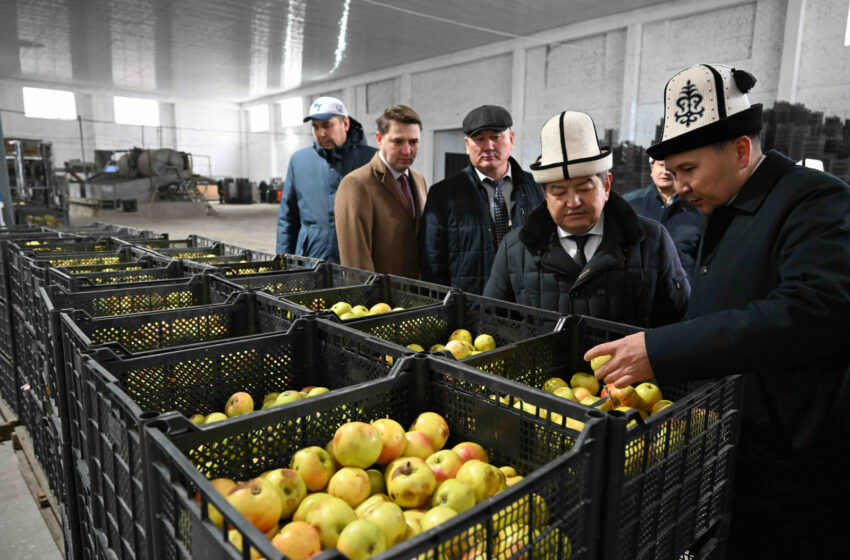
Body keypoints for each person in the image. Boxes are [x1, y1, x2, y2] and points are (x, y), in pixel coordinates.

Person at [586, 64, 850, 557]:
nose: (678, 185)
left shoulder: (814, 202)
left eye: (689, 170)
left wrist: (663, 349)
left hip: (793, 470)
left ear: (742, 150)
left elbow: (814, 310)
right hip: (732, 451)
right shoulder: (723, 206)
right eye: (674, 171)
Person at [483, 111, 688, 327]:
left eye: (584, 188)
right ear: (545, 194)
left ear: (606, 185)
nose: (573, 202)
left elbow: (680, 322)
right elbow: (492, 325)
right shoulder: (515, 250)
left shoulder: (652, 242)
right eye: (559, 192)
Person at [419, 105, 544, 293]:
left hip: (527, 300)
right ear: (467, 144)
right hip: (470, 305)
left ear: (511, 139)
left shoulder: (537, 187)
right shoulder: (443, 195)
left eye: (496, 137)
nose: (489, 146)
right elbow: (431, 261)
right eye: (479, 139)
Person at [276, 96, 376, 261]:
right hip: (309, 260)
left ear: (345, 124)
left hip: (355, 262)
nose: (321, 133)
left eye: (327, 125)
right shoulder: (299, 161)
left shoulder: (371, 159)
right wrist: (282, 263)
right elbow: (288, 219)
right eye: (315, 127)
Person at [335, 105, 427, 277]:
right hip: (382, 298)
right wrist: (369, 302)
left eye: (413, 142)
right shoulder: (356, 184)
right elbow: (356, 262)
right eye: (398, 141)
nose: (407, 150)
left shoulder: (419, 179)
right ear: (379, 139)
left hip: (417, 294)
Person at [623, 157, 703, 277]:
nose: (665, 171)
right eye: (661, 165)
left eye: (670, 168)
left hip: (683, 289)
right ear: (652, 168)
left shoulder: (698, 208)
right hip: (638, 288)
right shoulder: (628, 205)